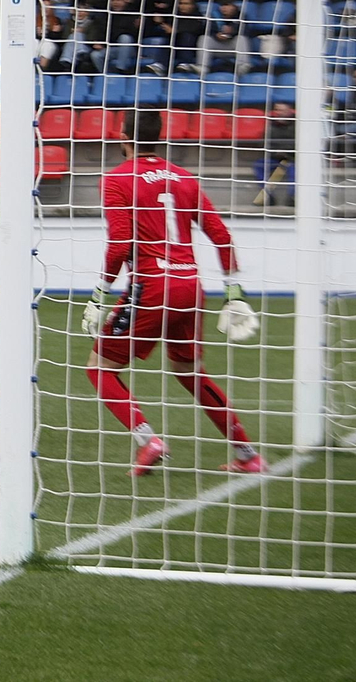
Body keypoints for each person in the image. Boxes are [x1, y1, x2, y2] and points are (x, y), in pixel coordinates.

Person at [80, 110, 264, 477]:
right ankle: (248, 454)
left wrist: (100, 294)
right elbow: (221, 235)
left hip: (151, 286)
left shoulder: (117, 179)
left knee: (99, 369)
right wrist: (234, 293)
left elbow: (120, 244)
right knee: (191, 372)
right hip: (190, 287)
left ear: (123, 137)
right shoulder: (183, 177)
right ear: (159, 138)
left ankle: (149, 441)